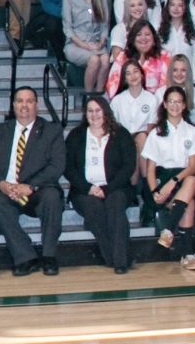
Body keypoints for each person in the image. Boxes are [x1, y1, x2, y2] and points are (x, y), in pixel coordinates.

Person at [0, 87, 67, 276]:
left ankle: (49, 256)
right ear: (13, 105)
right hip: (8, 190)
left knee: (52, 197)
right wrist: (1, 184)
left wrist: (30, 186)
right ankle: (26, 256)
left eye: (29, 101)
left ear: (37, 105)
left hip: (37, 190)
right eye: (20, 101)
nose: (24, 105)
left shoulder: (51, 130)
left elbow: (57, 166)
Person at [65, 97, 138, 274]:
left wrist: (107, 189)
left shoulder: (121, 134)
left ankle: (118, 262)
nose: (94, 115)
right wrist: (88, 188)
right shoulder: (76, 135)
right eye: (90, 111)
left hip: (116, 188)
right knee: (94, 208)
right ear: (85, 114)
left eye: (98, 110)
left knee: (115, 206)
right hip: (84, 191)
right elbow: (68, 168)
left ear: (106, 112)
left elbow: (128, 166)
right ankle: (117, 258)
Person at [140, 87, 195, 270]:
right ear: (165, 105)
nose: (175, 105)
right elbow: (150, 168)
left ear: (184, 105)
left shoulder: (192, 132)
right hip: (162, 179)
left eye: (178, 102)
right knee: (188, 202)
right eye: (171, 101)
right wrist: (154, 191)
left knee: (192, 181)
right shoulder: (156, 133)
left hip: (183, 177)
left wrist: (174, 182)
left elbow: (193, 166)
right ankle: (187, 253)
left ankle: (168, 230)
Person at [62, 0, 111, 90]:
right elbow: (68, 29)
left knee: (105, 59)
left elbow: (104, 26)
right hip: (75, 45)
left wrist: (101, 42)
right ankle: (89, 96)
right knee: (94, 60)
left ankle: (99, 94)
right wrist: (84, 45)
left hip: (95, 44)